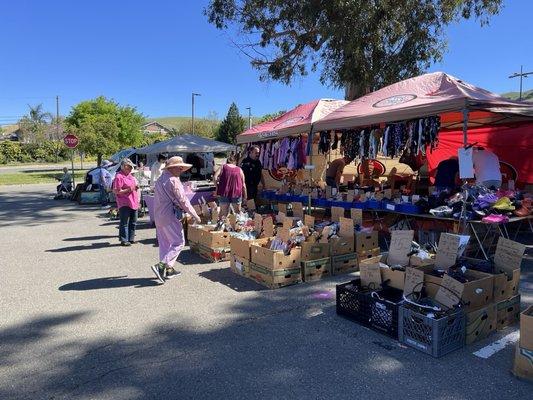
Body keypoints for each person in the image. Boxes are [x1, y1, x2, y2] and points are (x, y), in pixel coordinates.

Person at [151, 156, 201, 283]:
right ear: (172, 168)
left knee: (164, 243)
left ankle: (168, 269)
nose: (181, 169)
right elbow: (183, 200)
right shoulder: (173, 180)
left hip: (159, 215)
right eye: (179, 167)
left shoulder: (160, 179)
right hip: (170, 215)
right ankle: (161, 265)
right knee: (178, 242)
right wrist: (195, 214)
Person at [112, 158, 140, 246]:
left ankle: (131, 238)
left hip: (133, 201)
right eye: (129, 167)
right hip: (124, 202)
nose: (131, 169)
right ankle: (124, 240)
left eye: (131, 167)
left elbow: (133, 188)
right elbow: (116, 191)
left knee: (133, 221)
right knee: (124, 222)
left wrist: (135, 188)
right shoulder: (119, 176)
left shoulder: (130, 176)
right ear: (124, 166)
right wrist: (130, 189)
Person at [214, 154, 247, 219]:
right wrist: (245, 197)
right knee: (237, 212)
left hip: (223, 192)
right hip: (236, 192)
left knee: (223, 212)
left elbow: (215, 177)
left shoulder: (223, 167)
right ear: (235, 161)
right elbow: (243, 185)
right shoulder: (239, 169)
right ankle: (237, 227)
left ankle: (221, 226)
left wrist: (217, 187)